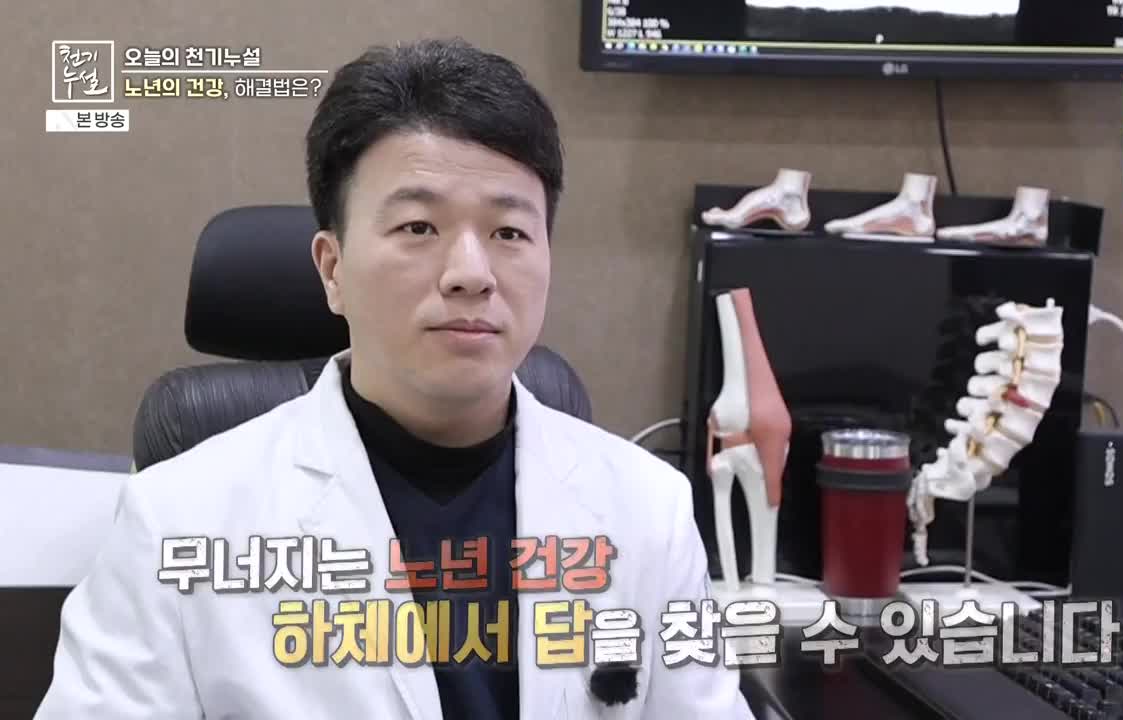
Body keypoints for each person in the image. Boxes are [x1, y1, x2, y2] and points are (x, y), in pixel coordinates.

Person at [36, 38, 756, 719]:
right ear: (332, 269)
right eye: (418, 227)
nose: (471, 273)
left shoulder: (649, 508)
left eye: (509, 232)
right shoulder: (176, 521)